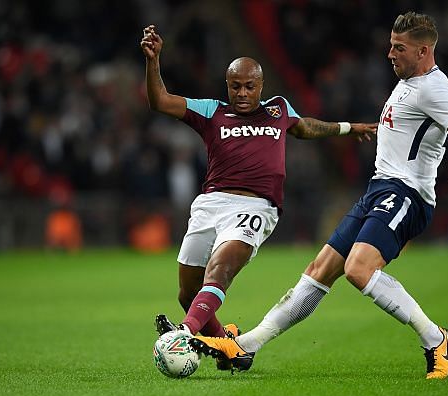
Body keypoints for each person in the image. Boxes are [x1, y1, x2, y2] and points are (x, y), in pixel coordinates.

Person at [190, 11, 448, 380]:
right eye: (390, 45)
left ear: (423, 51)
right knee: (318, 271)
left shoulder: (433, 88)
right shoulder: (420, 81)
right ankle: (246, 347)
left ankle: (436, 339)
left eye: (399, 48)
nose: (390, 54)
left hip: (406, 195)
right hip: (379, 189)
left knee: (358, 269)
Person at [139, 25, 378, 368]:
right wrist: (154, 61)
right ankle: (229, 348)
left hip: (255, 207)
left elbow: (306, 127)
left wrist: (347, 127)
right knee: (188, 292)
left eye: (249, 86)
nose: (242, 93)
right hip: (210, 205)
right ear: (227, 85)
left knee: (220, 270)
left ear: (261, 86)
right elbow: (159, 101)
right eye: (235, 86)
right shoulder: (211, 111)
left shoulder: (278, 110)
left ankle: (185, 334)